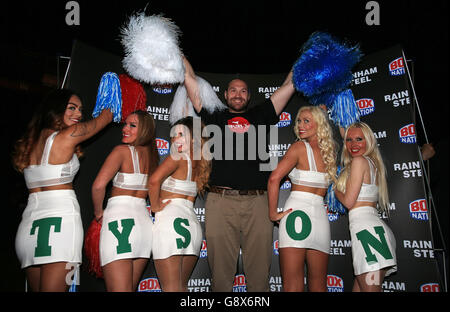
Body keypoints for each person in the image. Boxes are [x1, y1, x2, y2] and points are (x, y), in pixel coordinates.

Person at [182, 56, 295, 291]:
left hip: (258, 203)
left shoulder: (261, 115)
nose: (238, 94)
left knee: (259, 278)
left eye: (243, 91)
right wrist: (175, 51)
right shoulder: (214, 115)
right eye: (233, 90)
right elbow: (189, 79)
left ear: (248, 96)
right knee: (221, 278)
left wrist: (307, 59)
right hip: (220, 202)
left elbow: (289, 85)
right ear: (225, 95)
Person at [12, 89, 113, 292]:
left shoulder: (31, 142)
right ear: (55, 110)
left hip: (28, 230)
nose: (78, 114)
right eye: (71, 108)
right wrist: (115, 89)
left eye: (80, 110)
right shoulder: (67, 136)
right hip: (61, 225)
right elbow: (106, 117)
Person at [267, 105, 338, 292]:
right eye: (299, 120)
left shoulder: (299, 147)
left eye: (307, 121)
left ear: (319, 124)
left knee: (292, 284)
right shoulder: (329, 153)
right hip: (320, 219)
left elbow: (274, 179)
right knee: (319, 285)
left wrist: (273, 214)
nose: (301, 125)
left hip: (296, 215)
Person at [91, 110, 159, 292]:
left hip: (119, 224)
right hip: (143, 227)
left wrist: (98, 213)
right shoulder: (153, 157)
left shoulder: (121, 151)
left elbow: (98, 186)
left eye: (132, 125)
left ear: (144, 130)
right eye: (125, 124)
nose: (125, 128)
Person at [148, 116, 211, 292]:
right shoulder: (200, 162)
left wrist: (154, 207)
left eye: (181, 134)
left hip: (170, 222)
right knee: (181, 287)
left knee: (169, 288)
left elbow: (153, 181)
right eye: (173, 135)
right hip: (192, 226)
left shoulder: (177, 157)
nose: (175, 139)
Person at [334, 122, 397, 292]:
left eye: (359, 139)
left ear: (368, 141)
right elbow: (349, 136)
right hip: (372, 235)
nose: (353, 144)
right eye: (349, 140)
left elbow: (348, 202)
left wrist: (335, 190)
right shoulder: (372, 162)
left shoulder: (359, 161)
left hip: (368, 237)